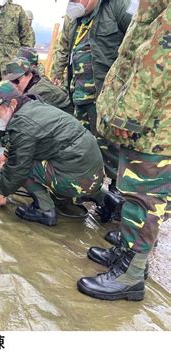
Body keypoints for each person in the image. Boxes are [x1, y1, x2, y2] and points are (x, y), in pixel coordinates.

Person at [77, 0, 170, 301]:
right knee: (132, 192)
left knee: (145, 199)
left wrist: (127, 114)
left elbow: (160, 61)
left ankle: (131, 276)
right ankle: (126, 256)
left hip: (156, 122)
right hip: (145, 117)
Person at [0, 81, 104, 226]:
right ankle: (104, 198)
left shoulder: (23, 122)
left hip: (78, 177)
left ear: (13, 103)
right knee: (24, 162)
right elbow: (16, 153)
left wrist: (1, 192)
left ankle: (44, 210)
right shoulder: (34, 107)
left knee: (25, 168)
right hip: (94, 174)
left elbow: (18, 166)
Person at [55, 0, 137, 180]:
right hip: (80, 97)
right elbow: (65, 49)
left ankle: (118, 198)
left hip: (105, 99)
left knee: (111, 153)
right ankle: (95, 193)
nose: (72, 3)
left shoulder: (117, 7)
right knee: (86, 149)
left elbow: (140, 44)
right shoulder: (76, 18)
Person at [3, 57, 73, 115]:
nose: (14, 85)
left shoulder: (37, 92)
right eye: (10, 81)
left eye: (16, 80)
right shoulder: (35, 82)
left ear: (29, 75)